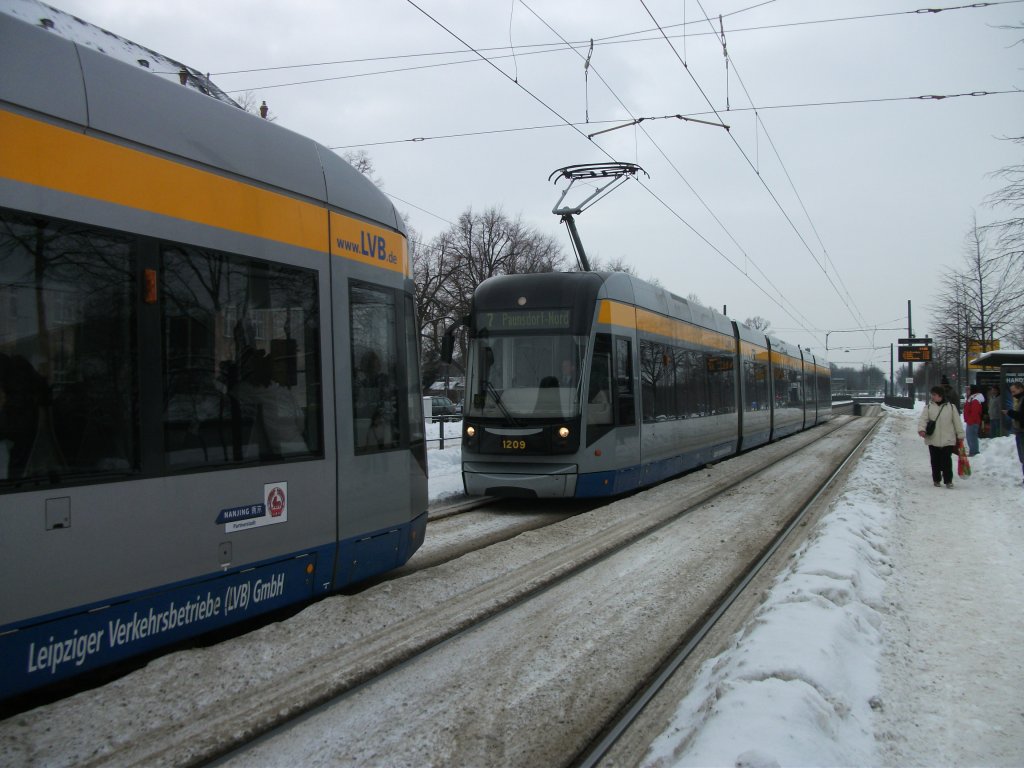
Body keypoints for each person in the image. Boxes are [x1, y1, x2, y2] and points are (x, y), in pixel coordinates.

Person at [917, 385, 965, 489]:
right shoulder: (928, 407)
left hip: (948, 439)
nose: (932, 397)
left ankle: (948, 480)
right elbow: (923, 420)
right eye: (932, 395)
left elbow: (957, 422)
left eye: (934, 395)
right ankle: (936, 479)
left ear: (941, 395)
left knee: (947, 461)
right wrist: (921, 429)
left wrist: (960, 434)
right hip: (933, 439)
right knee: (935, 461)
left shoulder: (951, 408)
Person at [1004, 381, 1024, 486]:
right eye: (1011, 392)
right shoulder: (1019, 399)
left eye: (1014, 391)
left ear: (1021, 389)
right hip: (1019, 431)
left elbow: (1021, 416)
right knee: (1022, 457)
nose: (1013, 394)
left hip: (1022, 431)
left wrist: (1010, 412)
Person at [962, 384, 985, 456]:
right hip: (971, 421)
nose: (967, 391)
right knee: (970, 437)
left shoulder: (975, 400)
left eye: (969, 389)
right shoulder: (972, 398)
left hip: (973, 421)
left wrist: (970, 421)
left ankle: (974, 452)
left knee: (972, 437)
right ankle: (973, 451)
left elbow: (975, 412)